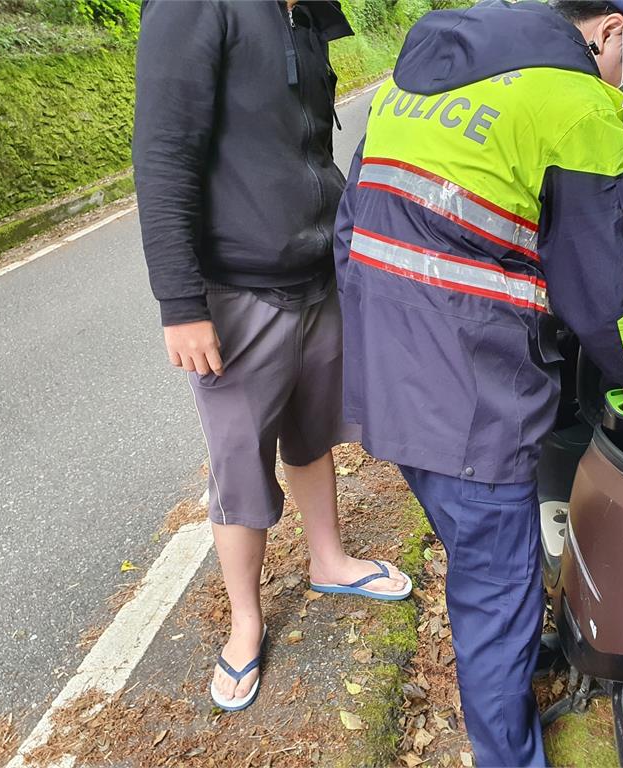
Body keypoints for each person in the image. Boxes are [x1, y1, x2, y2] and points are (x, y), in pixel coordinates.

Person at [334, 0, 623, 763]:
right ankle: (508, 751)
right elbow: (609, 280)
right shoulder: (573, 102)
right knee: (494, 591)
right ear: (614, 32)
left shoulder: (420, 73)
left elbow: (350, 220)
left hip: (385, 370)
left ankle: (525, 656)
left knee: (488, 552)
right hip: (468, 396)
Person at [132, 0, 411, 714]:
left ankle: (330, 560)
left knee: (312, 434)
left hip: (318, 274)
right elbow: (163, 152)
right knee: (238, 463)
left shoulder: (306, 12)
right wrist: (181, 304)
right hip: (235, 290)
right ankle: (246, 623)